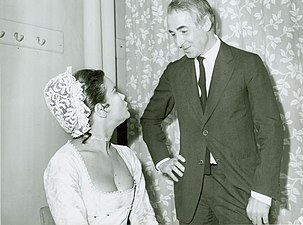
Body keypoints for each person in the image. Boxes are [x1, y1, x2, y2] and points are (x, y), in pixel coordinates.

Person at [140, 0, 284, 224]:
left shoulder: (248, 64)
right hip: (191, 191)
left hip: (239, 187)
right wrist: (162, 160)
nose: (178, 42)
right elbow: (149, 119)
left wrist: (262, 193)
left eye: (183, 31)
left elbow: (271, 129)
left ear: (206, 22)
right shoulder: (174, 72)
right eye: (172, 34)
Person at [43, 67, 158, 225]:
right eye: (115, 92)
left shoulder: (128, 156)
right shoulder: (64, 163)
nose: (123, 96)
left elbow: (145, 217)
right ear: (101, 109)